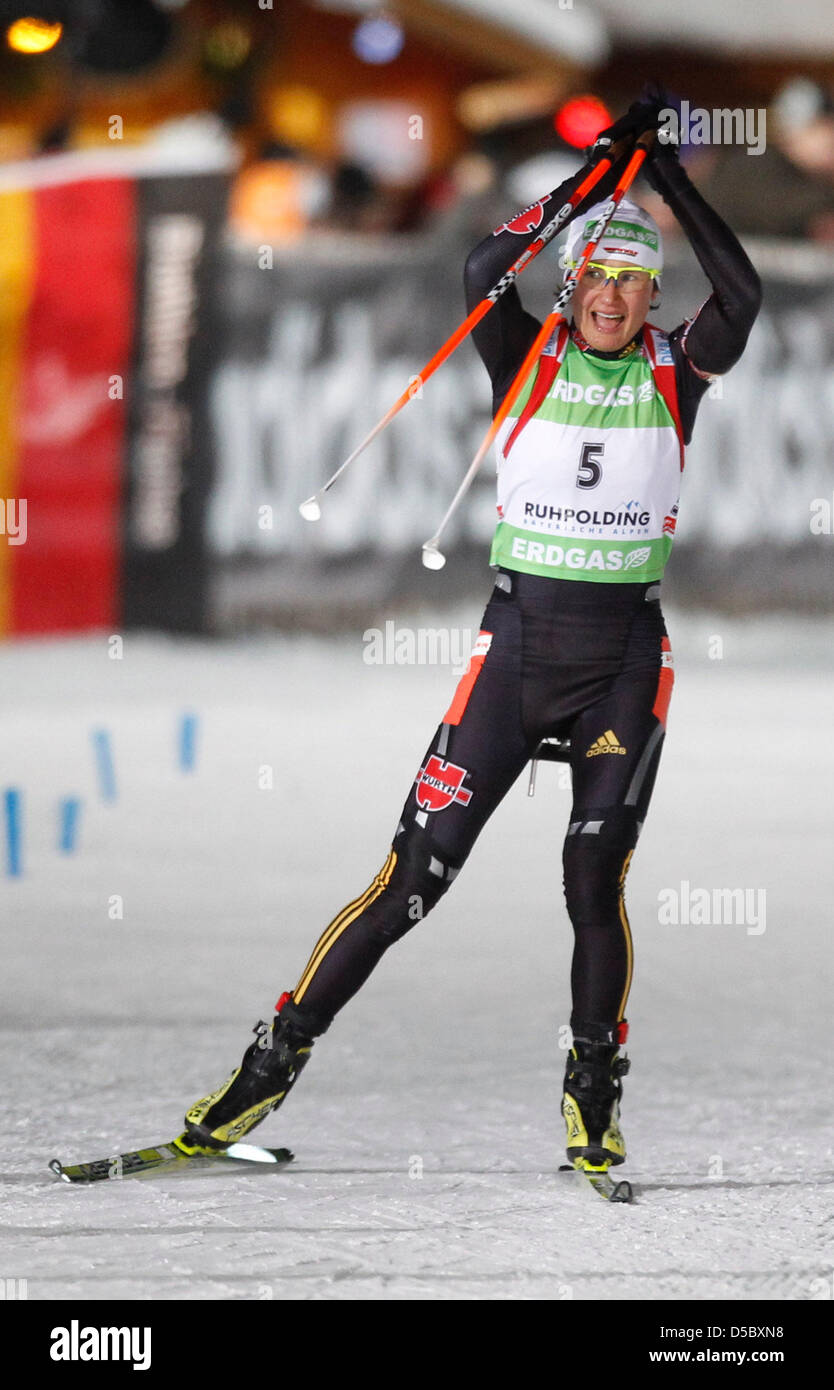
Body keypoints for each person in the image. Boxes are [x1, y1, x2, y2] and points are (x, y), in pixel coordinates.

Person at [180, 98, 762, 1176]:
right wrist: (595, 184)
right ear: (573, 283)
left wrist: (663, 179)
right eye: (599, 278)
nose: (615, 299)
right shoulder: (524, 353)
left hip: (621, 664)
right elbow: (482, 264)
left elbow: (748, 292)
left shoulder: (678, 371)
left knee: (594, 876)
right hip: (518, 653)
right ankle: (265, 1067)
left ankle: (593, 1088)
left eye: (636, 282)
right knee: (413, 878)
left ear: (650, 296)